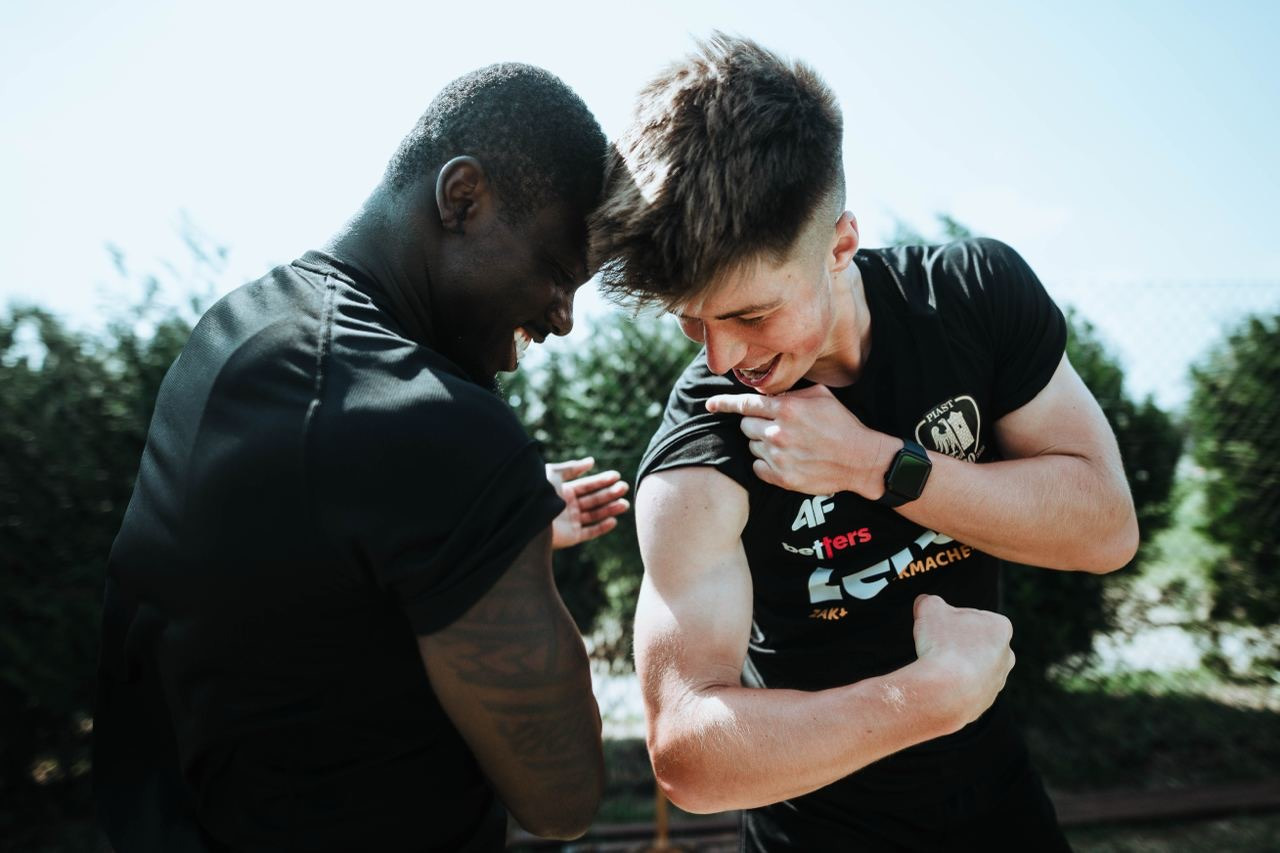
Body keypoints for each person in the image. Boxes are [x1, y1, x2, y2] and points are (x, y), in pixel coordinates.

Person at [589, 35, 1138, 850]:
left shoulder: (971, 297)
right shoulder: (703, 445)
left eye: (749, 314)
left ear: (840, 244)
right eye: (691, 319)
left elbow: (1105, 528)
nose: (722, 357)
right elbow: (689, 754)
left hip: (1004, 812)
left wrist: (877, 465)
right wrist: (929, 697)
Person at [94, 63, 630, 852]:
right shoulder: (437, 429)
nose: (563, 320)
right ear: (463, 199)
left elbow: (299, 584)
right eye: (556, 272)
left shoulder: (237, 331)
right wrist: (501, 528)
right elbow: (563, 795)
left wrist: (479, 531)